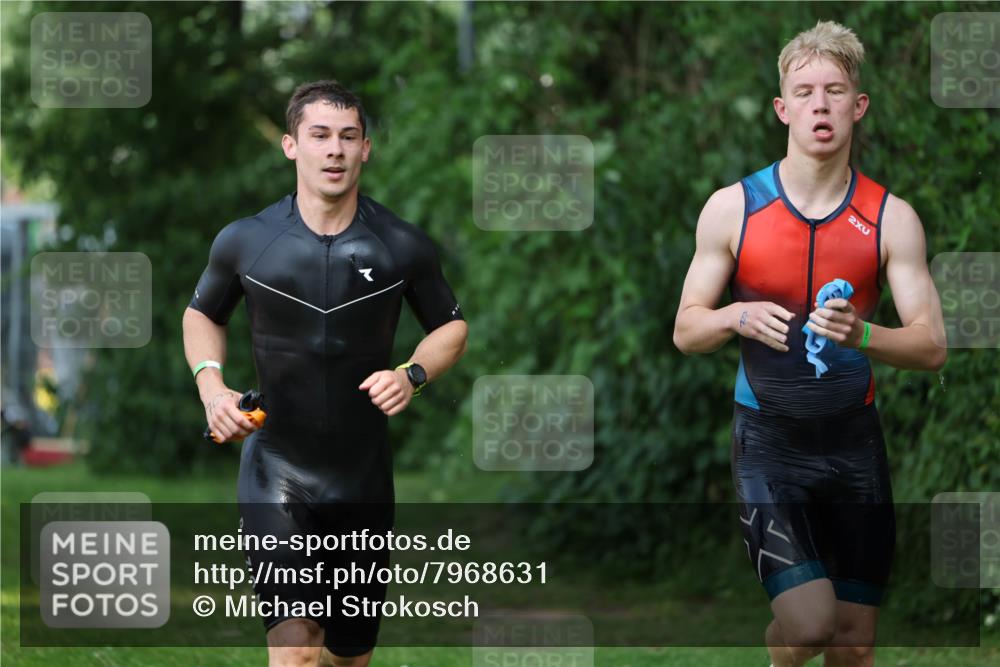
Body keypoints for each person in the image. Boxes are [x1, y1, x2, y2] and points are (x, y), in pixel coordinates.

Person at [673, 21, 946, 667]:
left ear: (858, 105)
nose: (820, 105)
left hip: (855, 446)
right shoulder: (733, 208)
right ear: (783, 108)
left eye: (835, 91)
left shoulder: (891, 218)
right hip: (769, 446)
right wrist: (735, 314)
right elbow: (686, 330)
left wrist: (864, 333)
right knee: (811, 624)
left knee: (854, 643)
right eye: (805, 92)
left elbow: (932, 345)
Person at [182, 80, 468, 667]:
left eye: (348, 136)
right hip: (275, 468)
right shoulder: (247, 241)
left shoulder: (402, 245)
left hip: (362, 477)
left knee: (348, 658)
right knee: (297, 652)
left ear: (366, 149)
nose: (334, 149)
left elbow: (452, 327)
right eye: (319, 135)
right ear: (291, 145)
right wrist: (212, 387)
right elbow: (202, 314)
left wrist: (411, 374)